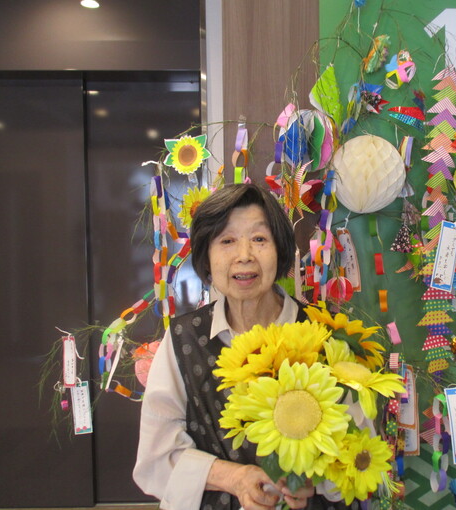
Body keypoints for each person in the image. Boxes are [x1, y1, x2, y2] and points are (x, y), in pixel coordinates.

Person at [134, 183, 362, 510]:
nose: (244, 256)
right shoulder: (184, 339)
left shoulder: (325, 335)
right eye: (227, 241)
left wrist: (317, 480)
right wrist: (235, 478)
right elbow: (156, 458)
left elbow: (360, 450)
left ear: (280, 251)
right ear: (206, 257)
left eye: (259, 239)